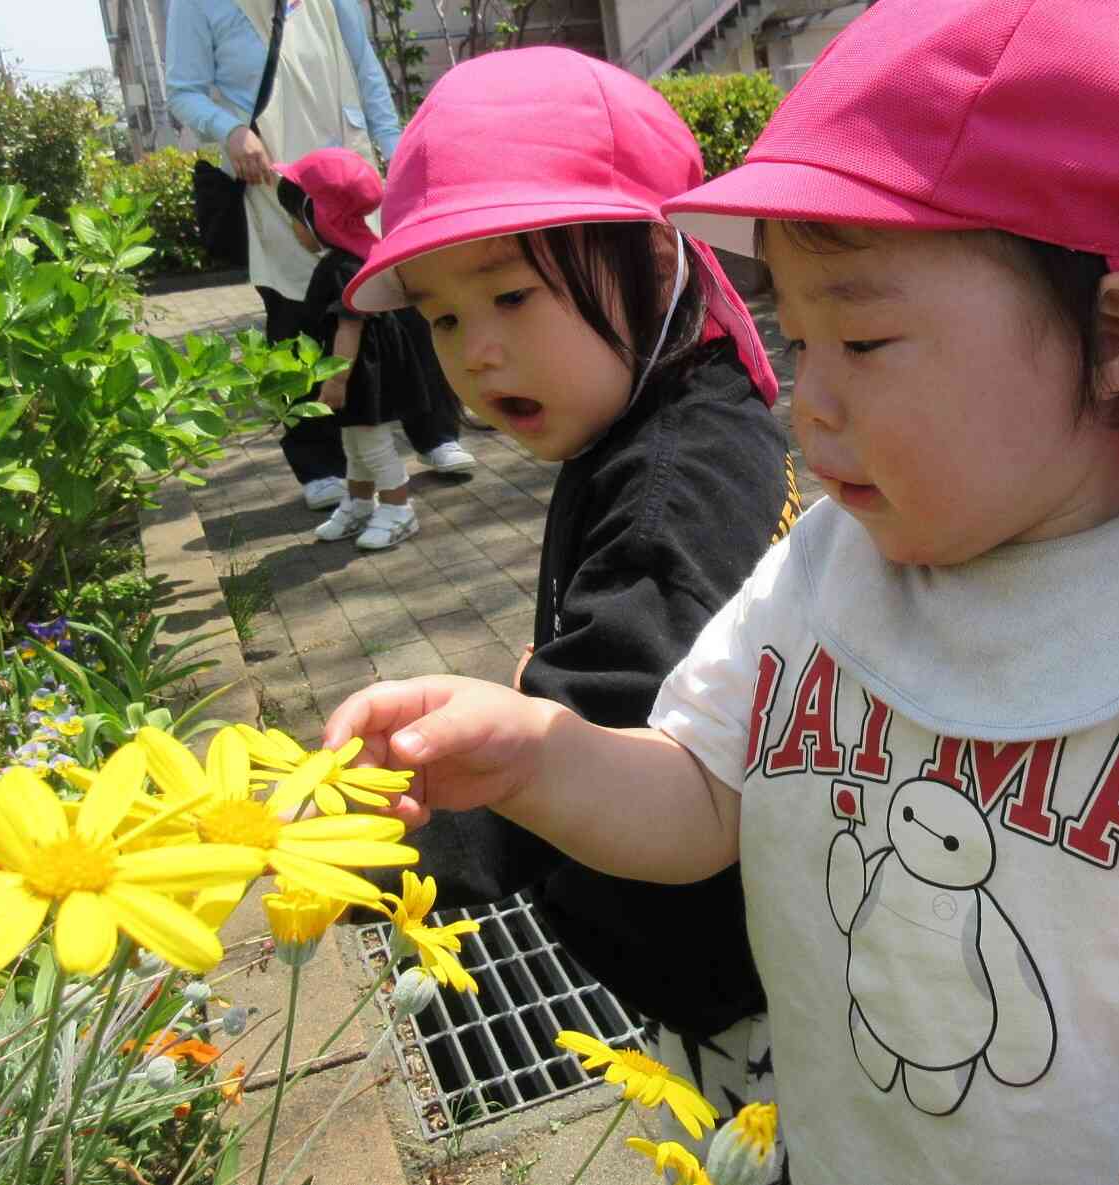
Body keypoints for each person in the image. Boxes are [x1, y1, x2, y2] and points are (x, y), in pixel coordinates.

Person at [323, 2, 1119, 1183]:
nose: (808, 402)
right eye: (797, 343)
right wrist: (541, 760)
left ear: (1116, 337)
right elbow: (697, 799)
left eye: (864, 342)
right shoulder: (820, 573)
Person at [339, 48, 801, 1174]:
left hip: (734, 970)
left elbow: (611, 715)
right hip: (708, 927)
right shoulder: (658, 409)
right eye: (442, 319)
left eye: (508, 295)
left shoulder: (672, 480)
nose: (477, 350)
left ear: (654, 259)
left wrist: (345, 852)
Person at [165, 0, 474, 513]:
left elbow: (365, 69)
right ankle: (320, 466)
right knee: (296, 318)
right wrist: (229, 130)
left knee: (396, 302)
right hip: (274, 180)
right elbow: (182, 91)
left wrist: (395, 152)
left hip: (348, 174)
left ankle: (436, 431)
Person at [274, 148, 445, 549]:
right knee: (353, 442)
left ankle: (399, 509)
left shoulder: (343, 268)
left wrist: (336, 381)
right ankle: (360, 502)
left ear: (320, 215)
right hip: (358, 371)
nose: (293, 229)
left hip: (361, 373)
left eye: (296, 218)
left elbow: (349, 327)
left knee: (372, 442)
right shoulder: (351, 257)